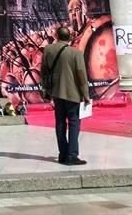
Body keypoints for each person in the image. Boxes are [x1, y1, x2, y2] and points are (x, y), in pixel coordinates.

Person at [41, 26, 90, 165]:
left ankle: (63, 153)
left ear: (56, 35)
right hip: (72, 93)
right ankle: (72, 155)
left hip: (56, 92)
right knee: (74, 123)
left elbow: (43, 71)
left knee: (60, 123)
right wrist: (85, 94)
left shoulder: (48, 50)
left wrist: (46, 90)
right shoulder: (76, 53)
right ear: (69, 37)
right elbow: (81, 75)